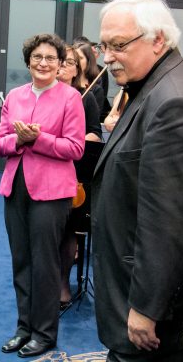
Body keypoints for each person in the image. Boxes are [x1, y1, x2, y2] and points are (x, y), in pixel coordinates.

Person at [91, 0, 183, 362]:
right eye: (104, 46)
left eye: (118, 45)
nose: (107, 57)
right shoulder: (166, 83)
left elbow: (169, 225)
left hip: (156, 312)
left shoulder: (174, 102)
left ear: (158, 40)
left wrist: (146, 307)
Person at [0, 33, 85, 358]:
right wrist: (18, 141)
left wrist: (38, 139)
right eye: (37, 57)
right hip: (16, 185)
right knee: (21, 260)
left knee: (45, 263)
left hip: (52, 191)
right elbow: (0, 144)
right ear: (28, 62)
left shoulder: (70, 98)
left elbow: (75, 148)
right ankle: (23, 328)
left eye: (50, 58)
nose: (43, 63)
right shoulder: (15, 96)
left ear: (60, 64)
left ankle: (44, 333)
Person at [57, 45, 101, 308]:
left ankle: (63, 282)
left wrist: (72, 141)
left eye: (69, 62)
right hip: (45, 172)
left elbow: (95, 133)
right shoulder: (42, 94)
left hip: (74, 175)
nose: (62, 66)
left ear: (77, 69)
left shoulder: (86, 98)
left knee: (68, 229)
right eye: (60, 61)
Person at [73, 36, 111, 121]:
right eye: (74, 58)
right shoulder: (67, 84)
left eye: (80, 58)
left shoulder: (96, 90)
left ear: (88, 61)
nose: (76, 62)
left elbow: (92, 119)